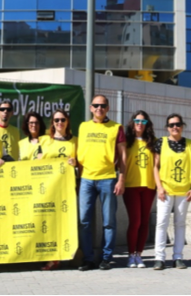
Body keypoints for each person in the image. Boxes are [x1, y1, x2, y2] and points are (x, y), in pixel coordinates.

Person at [77, 94, 126, 271]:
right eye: (96, 105)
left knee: (109, 221)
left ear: (108, 107)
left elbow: (123, 155)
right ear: (91, 108)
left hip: (108, 179)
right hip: (87, 180)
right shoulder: (83, 127)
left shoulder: (116, 128)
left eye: (103, 105)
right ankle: (88, 259)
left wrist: (121, 178)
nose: (99, 108)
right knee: (84, 221)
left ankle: (106, 258)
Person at [152, 113, 191, 271]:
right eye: (171, 125)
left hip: (184, 191)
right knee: (161, 223)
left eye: (178, 124)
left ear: (182, 126)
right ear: (167, 127)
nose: (175, 127)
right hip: (165, 190)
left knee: (180, 224)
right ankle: (159, 258)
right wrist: (159, 187)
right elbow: (155, 167)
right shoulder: (161, 143)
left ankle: (178, 257)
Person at [40, 109, 78, 271]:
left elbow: (82, 165)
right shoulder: (44, 141)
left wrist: (76, 164)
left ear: (67, 121)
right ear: (52, 123)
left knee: (67, 224)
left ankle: (67, 255)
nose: (60, 123)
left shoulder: (75, 141)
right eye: (56, 120)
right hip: (49, 189)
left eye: (62, 120)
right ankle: (51, 257)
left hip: (68, 189)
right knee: (49, 223)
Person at [123, 110, 157, 269]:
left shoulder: (153, 142)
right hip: (131, 185)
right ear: (132, 122)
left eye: (143, 122)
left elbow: (158, 165)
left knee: (144, 222)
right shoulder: (126, 141)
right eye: (137, 121)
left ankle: (139, 255)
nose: (140, 124)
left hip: (149, 186)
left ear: (147, 124)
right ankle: (131, 255)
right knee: (135, 221)